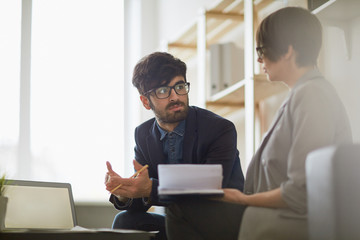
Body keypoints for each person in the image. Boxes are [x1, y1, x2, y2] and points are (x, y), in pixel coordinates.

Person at [165, 6, 353, 240]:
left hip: (289, 217)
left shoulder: (311, 95)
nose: (259, 58)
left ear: (288, 51)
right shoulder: (302, 94)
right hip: (272, 210)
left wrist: (243, 199)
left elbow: (300, 191)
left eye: (262, 49)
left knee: (179, 210)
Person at [104, 52, 245, 240]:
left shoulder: (220, 129)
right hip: (178, 222)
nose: (175, 97)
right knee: (125, 221)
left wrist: (150, 188)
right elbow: (142, 196)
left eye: (179, 87)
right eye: (163, 90)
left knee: (179, 215)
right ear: (146, 101)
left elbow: (210, 186)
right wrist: (124, 192)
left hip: (220, 224)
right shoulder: (143, 134)